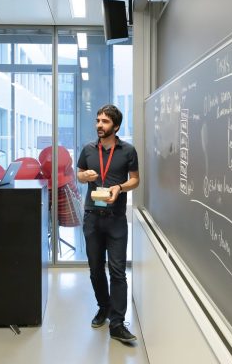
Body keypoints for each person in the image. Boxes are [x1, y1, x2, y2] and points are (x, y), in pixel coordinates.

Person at [76, 104, 140, 343]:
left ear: (116, 126)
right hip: (92, 216)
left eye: (104, 121)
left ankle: (117, 322)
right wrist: (84, 177)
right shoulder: (88, 149)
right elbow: (79, 173)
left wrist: (119, 187)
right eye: (97, 120)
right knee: (95, 269)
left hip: (116, 219)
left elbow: (135, 179)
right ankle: (103, 306)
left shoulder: (128, 150)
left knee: (117, 271)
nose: (99, 125)